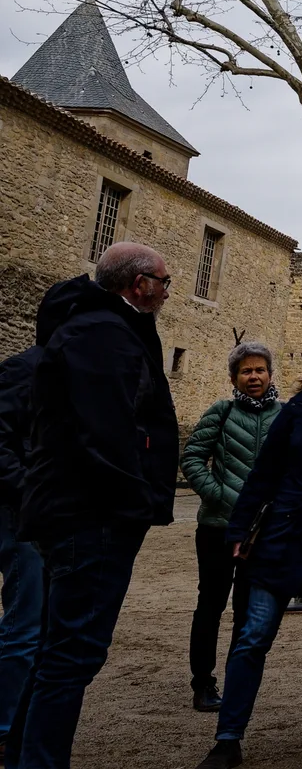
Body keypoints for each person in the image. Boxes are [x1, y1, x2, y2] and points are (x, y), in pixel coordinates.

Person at [18, 242, 179, 769]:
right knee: (72, 655)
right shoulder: (102, 335)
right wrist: (136, 499)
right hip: (91, 515)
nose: (166, 290)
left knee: (59, 651)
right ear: (139, 285)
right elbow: (106, 431)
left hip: (84, 511)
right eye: (163, 281)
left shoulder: (99, 328)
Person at [191, 332, 302, 769]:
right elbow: (264, 475)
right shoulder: (298, 413)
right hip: (281, 541)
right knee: (253, 637)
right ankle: (228, 738)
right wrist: (238, 529)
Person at [180, 343, 283, 712]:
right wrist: (221, 496)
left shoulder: (284, 418)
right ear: (234, 378)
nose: (253, 377)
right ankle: (203, 683)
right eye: (246, 371)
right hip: (218, 528)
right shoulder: (221, 413)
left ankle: (237, 682)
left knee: (247, 611)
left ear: (270, 374)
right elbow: (192, 458)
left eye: (259, 370)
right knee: (210, 605)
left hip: (262, 533)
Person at [0, 310, 47, 765]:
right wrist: (28, 493)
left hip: (47, 514)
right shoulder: (28, 368)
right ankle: (3, 728)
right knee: (24, 623)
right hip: (21, 514)